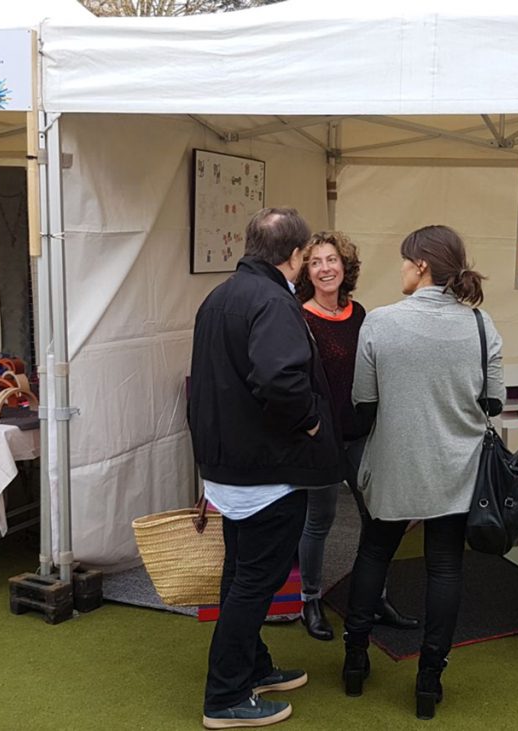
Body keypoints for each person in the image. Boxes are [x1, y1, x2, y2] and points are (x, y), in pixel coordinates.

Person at [341, 225, 505, 720]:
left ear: (421, 266)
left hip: (393, 462)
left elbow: (362, 405)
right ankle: (429, 680)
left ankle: (354, 661)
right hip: (456, 468)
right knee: (445, 567)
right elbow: (493, 401)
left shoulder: (380, 323)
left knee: (373, 554)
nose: (401, 270)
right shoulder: (481, 326)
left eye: (403, 261)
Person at [188, 207, 342, 730]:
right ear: (295, 256)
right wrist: (310, 425)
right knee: (256, 581)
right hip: (265, 469)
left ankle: (252, 668)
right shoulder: (273, 300)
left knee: (241, 575)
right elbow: (280, 381)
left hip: (230, 463)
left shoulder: (220, 296)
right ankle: (226, 695)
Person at [294, 231, 418, 641]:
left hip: (363, 434)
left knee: (378, 518)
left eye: (332, 260)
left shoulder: (359, 312)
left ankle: (373, 598)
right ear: (306, 272)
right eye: (315, 262)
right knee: (320, 520)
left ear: (345, 267)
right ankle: (310, 600)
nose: (325, 268)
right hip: (320, 440)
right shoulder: (300, 317)